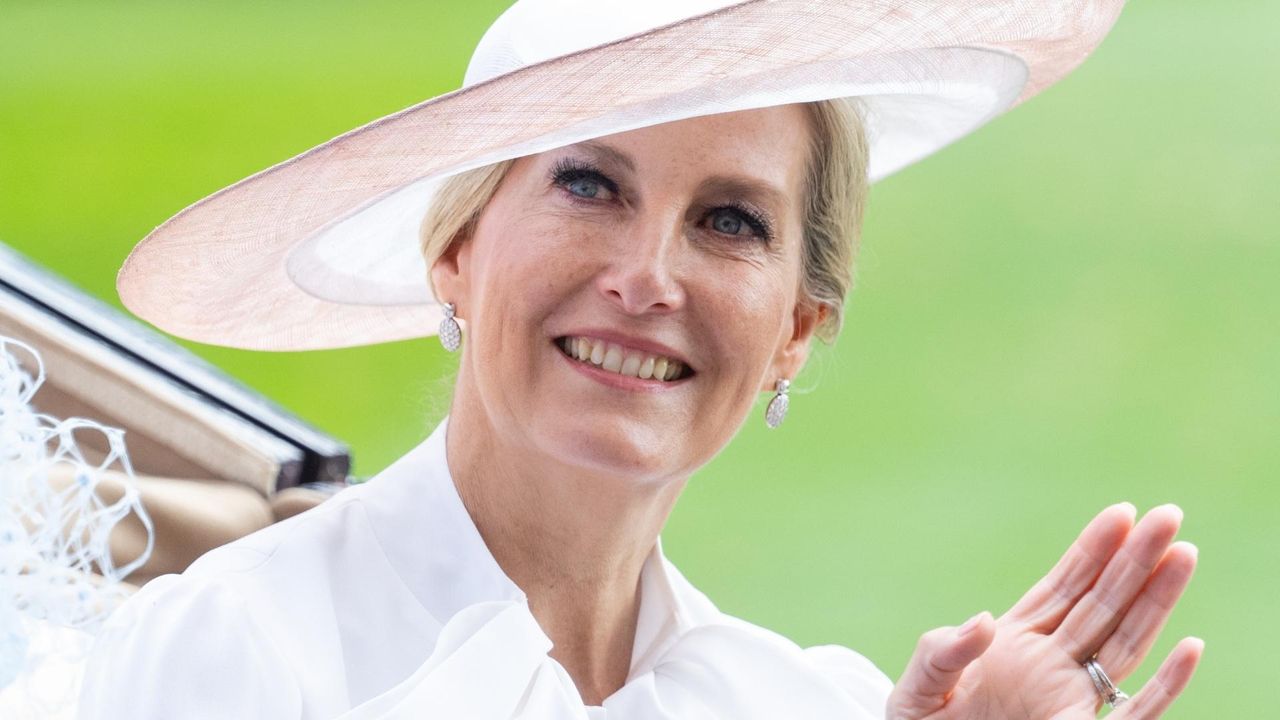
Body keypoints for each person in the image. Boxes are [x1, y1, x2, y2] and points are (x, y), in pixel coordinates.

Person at [80, 1, 1202, 718]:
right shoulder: (229, 657)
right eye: (587, 184)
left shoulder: (809, 705)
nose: (647, 275)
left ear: (793, 335)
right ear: (457, 249)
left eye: (728, 222)